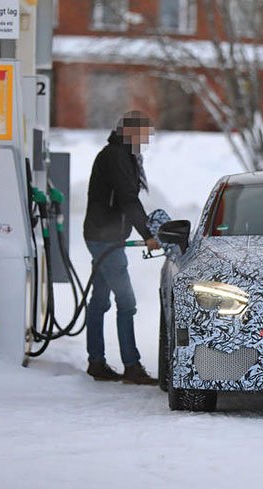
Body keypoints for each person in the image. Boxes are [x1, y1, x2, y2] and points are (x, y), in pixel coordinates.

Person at [83, 111, 161, 385]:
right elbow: (128, 198)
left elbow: (125, 199)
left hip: (105, 235)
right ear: (129, 133)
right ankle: (131, 365)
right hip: (105, 240)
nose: (146, 140)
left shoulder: (122, 155)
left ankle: (96, 362)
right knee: (126, 302)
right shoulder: (116, 157)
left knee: (100, 301)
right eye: (142, 135)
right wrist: (149, 234)